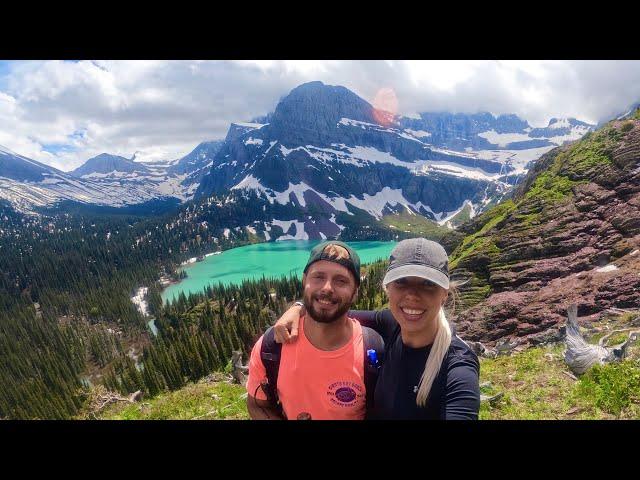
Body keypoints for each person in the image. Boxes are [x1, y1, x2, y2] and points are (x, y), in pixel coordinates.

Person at [274, 238, 480, 420]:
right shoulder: (392, 324)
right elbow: (334, 311)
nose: (412, 296)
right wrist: (299, 307)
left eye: (428, 284)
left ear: (444, 293)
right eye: (401, 282)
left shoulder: (458, 366)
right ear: (387, 288)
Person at [245, 241, 384, 420]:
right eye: (318, 277)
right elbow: (257, 404)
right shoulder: (272, 345)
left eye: (341, 281)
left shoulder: (373, 350)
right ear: (304, 281)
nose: (327, 288)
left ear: (355, 292)